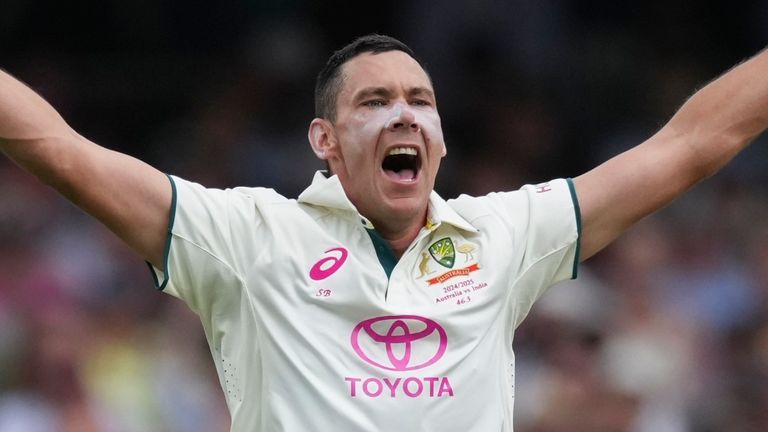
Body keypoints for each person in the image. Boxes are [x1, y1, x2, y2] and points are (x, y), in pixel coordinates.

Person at [0, 33, 766, 431]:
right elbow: (64, 152)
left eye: (419, 99)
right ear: (324, 141)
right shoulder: (244, 234)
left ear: (439, 135)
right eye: (374, 101)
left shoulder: (503, 234)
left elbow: (688, 145)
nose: (404, 113)